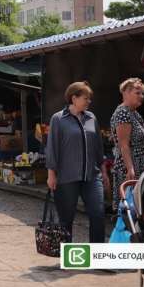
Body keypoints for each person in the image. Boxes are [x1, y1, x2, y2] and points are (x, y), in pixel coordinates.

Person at [45, 81, 107, 243]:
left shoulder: (91, 118)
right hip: (67, 177)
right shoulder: (58, 119)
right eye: (86, 98)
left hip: (92, 176)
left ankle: (98, 257)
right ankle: (68, 258)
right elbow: (52, 147)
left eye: (89, 99)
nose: (89, 101)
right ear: (74, 98)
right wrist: (51, 174)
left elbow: (98, 147)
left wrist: (104, 172)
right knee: (66, 219)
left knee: (98, 214)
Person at [110, 77, 144, 211]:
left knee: (139, 204)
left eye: (142, 93)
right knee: (130, 206)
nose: (141, 96)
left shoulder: (134, 112)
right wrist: (130, 169)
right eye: (137, 93)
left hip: (141, 162)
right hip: (131, 165)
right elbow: (124, 145)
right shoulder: (123, 113)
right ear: (126, 93)